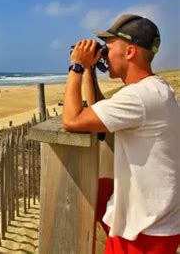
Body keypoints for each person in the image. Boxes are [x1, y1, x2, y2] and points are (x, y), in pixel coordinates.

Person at [62, 14, 179, 253]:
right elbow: (97, 111)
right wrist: (89, 71)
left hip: (145, 230)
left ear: (130, 52)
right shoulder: (155, 89)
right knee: (95, 188)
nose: (105, 52)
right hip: (159, 216)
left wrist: (76, 66)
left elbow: (72, 121)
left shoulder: (139, 97)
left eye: (109, 46)